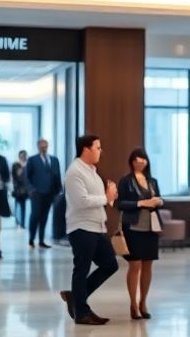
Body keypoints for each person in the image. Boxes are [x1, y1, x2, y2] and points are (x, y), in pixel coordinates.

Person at [60, 134, 118, 325]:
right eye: (97, 147)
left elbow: (99, 199)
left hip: (97, 227)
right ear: (86, 149)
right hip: (81, 228)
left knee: (110, 264)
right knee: (82, 269)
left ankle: (75, 297)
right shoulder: (74, 171)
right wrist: (106, 197)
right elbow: (82, 201)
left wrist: (109, 197)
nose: (101, 151)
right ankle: (81, 312)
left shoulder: (92, 171)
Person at [116, 148, 163, 320]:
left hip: (151, 228)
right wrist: (141, 203)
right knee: (135, 265)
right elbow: (120, 204)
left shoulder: (152, 181)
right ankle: (133, 304)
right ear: (131, 161)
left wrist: (158, 201)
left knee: (148, 265)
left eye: (143, 159)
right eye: (137, 159)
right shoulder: (126, 181)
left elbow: (159, 199)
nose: (141, 162)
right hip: (133, 228)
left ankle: (143, 302)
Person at [25, 139, 62, 249]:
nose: (43, 148)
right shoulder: (32, 160)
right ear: (38, 147)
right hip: (37, 193)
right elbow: (26, 176)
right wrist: (31, 190)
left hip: (50, 193)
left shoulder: (54, 160)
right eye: (41, 147)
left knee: (44, 216)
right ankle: (31, 239)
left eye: (45, 146)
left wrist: (58, 191)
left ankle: (41, 240)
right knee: (35, 215)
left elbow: (58, 176)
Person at [11, 150, 29, 228]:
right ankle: (17, 221)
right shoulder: (16, 165)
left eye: (24, 156)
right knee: (17, 206)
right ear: (19, 156)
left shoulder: (28, 164)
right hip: (18, 189)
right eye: (21, 156)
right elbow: (16, 175)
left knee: (23, 206)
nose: (23, 157)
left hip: (26, 189)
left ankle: (23, 223)